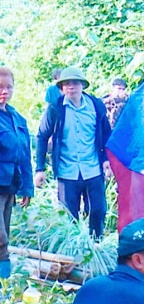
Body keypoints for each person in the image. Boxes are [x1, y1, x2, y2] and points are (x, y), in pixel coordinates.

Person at [35, 67, 113, 238]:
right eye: (66, 84)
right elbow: (42, 136)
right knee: (69, 216)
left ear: (82, 85)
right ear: (61, 88)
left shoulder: (95, 105)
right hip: (67, 170)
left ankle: (95, 246)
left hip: (92, 168)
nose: (71, 87)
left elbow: (107, 133)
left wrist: (106, 159)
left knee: (98, 211)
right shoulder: (55, 109)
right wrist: (40, 169)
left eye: (75, 83)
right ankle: (71, 254)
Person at [0, 67, 33, 280]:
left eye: (8, 87)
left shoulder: (17, 119)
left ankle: (4, 283)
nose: (4, 91)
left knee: (6, 234)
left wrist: (27, 187)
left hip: (10, 185)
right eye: (0, 87)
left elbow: (24, 156)